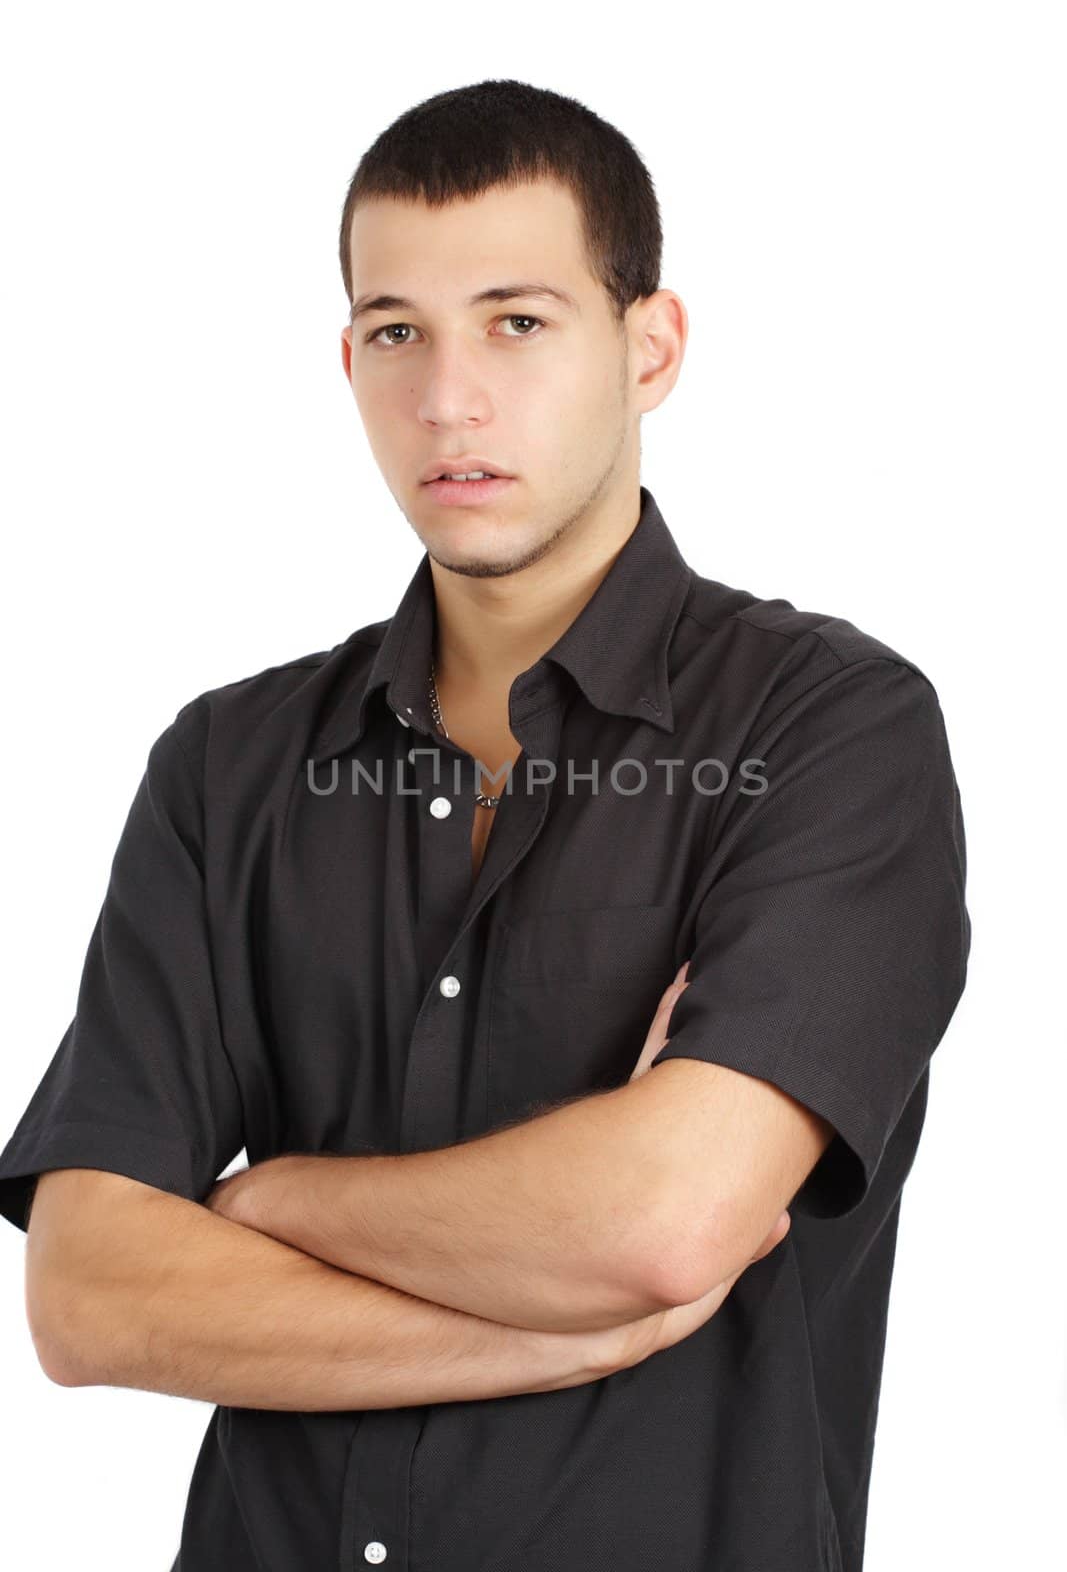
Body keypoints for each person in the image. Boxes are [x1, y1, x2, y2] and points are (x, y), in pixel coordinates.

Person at [0, 79, 970, 1572]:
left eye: (518, 321)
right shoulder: (227, 764)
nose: (448, 398)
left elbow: (664, 1222)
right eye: (398, 331)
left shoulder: (829, 729)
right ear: (347, 357)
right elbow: (90, 1298)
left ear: (650, 348)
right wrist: (573, 1336)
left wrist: (271, 1199)